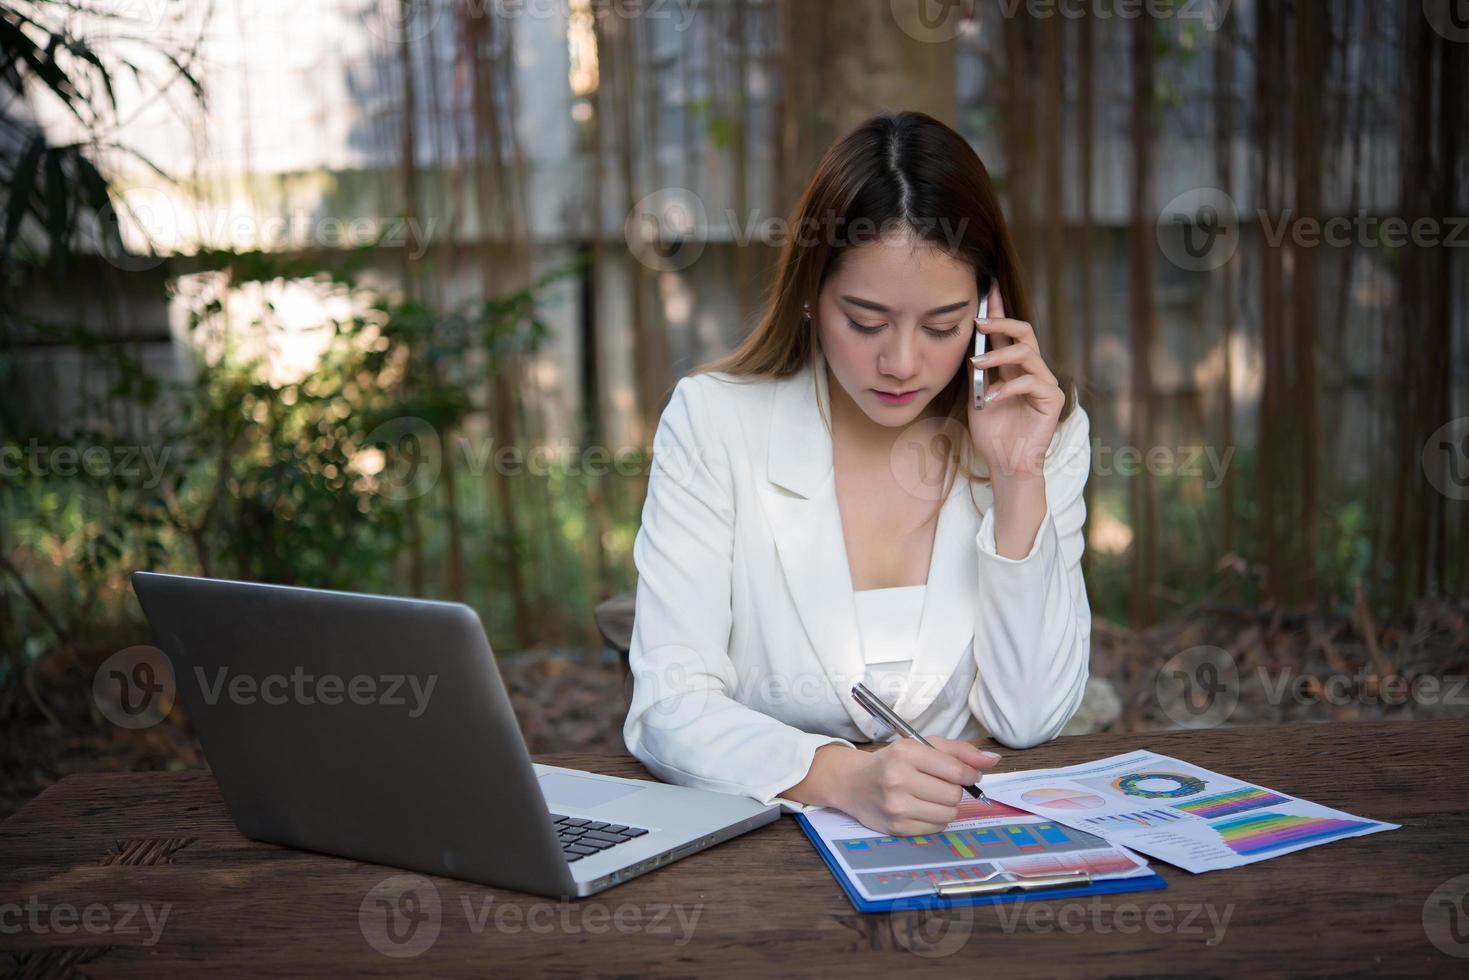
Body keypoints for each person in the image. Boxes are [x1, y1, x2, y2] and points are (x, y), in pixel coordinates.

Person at [622, 109, 1092, 838]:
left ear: (987, 308)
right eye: (865, 320)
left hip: (959, 852)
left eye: (941, 325)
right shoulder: (714, 423)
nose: (901, 363)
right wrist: (843, 778)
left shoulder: (1040, 434)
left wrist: (1016, 479)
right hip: (758, 853)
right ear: (811, 294)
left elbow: (1027, 719)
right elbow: (668, 707)